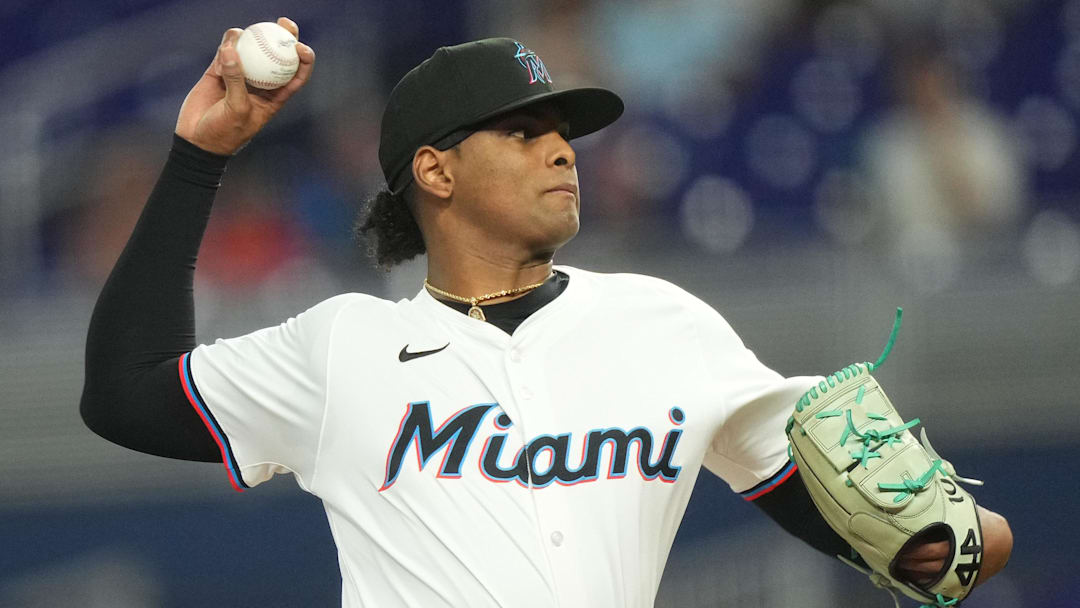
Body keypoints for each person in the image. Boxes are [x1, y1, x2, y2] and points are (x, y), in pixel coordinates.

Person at [80, 17, 1012, 607]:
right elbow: (124, 394)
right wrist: (200, 158)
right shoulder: (343, 347)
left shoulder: (665, 327)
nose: (561, 153)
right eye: (523, 133)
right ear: (435, 171)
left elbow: (914, 541)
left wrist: (948, 545)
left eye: (565, 135)